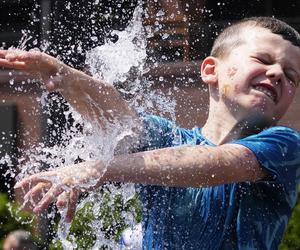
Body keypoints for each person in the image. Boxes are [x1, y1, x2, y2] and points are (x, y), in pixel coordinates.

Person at [0, 16, 299, 249]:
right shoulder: (169, 141)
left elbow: (216, 164)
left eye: (291, 76)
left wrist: (98, 169)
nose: (276, 74)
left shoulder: (285, 145)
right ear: (210, 70)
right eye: (263, 60)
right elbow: (117, 119)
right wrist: (65, 77)